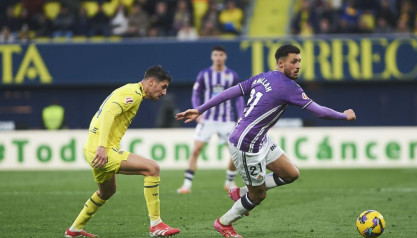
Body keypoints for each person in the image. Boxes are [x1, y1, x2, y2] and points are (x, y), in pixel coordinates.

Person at [176, 45, 356, 237]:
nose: (298, 66)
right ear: (281, 63)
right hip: (246, 146)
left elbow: (230, 92)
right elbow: (318, 111)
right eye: (293, 61)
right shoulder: (289, 88)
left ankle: (241, 192)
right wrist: (344, 116)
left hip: (260, 139)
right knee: (259, 194)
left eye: (299, 61)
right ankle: (224, 223)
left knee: (291, 173)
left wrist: (201, 108)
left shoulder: (263, 77)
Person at [64, 66, 180, 237]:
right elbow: (108, 114)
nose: (164, 93)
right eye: (163, 87)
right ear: (151, 82)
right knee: (152, 168)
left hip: (93, 147)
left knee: (107, 191)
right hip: (101, 150)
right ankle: (156, 224)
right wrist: (102, 147)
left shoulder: (131, 91)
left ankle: (74, 230)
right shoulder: (133, 93)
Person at [177, 45, 245, 194]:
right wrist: (197, 111)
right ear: (212, 57)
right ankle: (187, 185)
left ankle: (229, 181)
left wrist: (241, 114)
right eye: (216, 55)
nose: (218, 57)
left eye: (221, 55)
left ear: (225, 57)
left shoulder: (232, 75)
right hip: (207, 120)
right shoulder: (204, 74)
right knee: (196, 150)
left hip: (227, 120)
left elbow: (239, 97)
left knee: (235, 151)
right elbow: (196, 93)